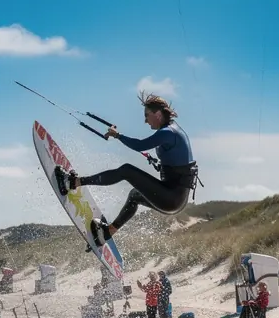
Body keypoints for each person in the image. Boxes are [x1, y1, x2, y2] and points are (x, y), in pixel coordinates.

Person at [54, 93, 198, 246]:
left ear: (157, 114)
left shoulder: (168, 132)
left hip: (171, 198)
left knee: (126, 171)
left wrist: (118, 136)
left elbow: (140, 146)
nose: (145, 120)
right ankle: (108, 232)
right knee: (134, 196)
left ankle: (73, 182)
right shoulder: (173, 130)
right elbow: (176, 163)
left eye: (147, 115)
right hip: (174, 198)